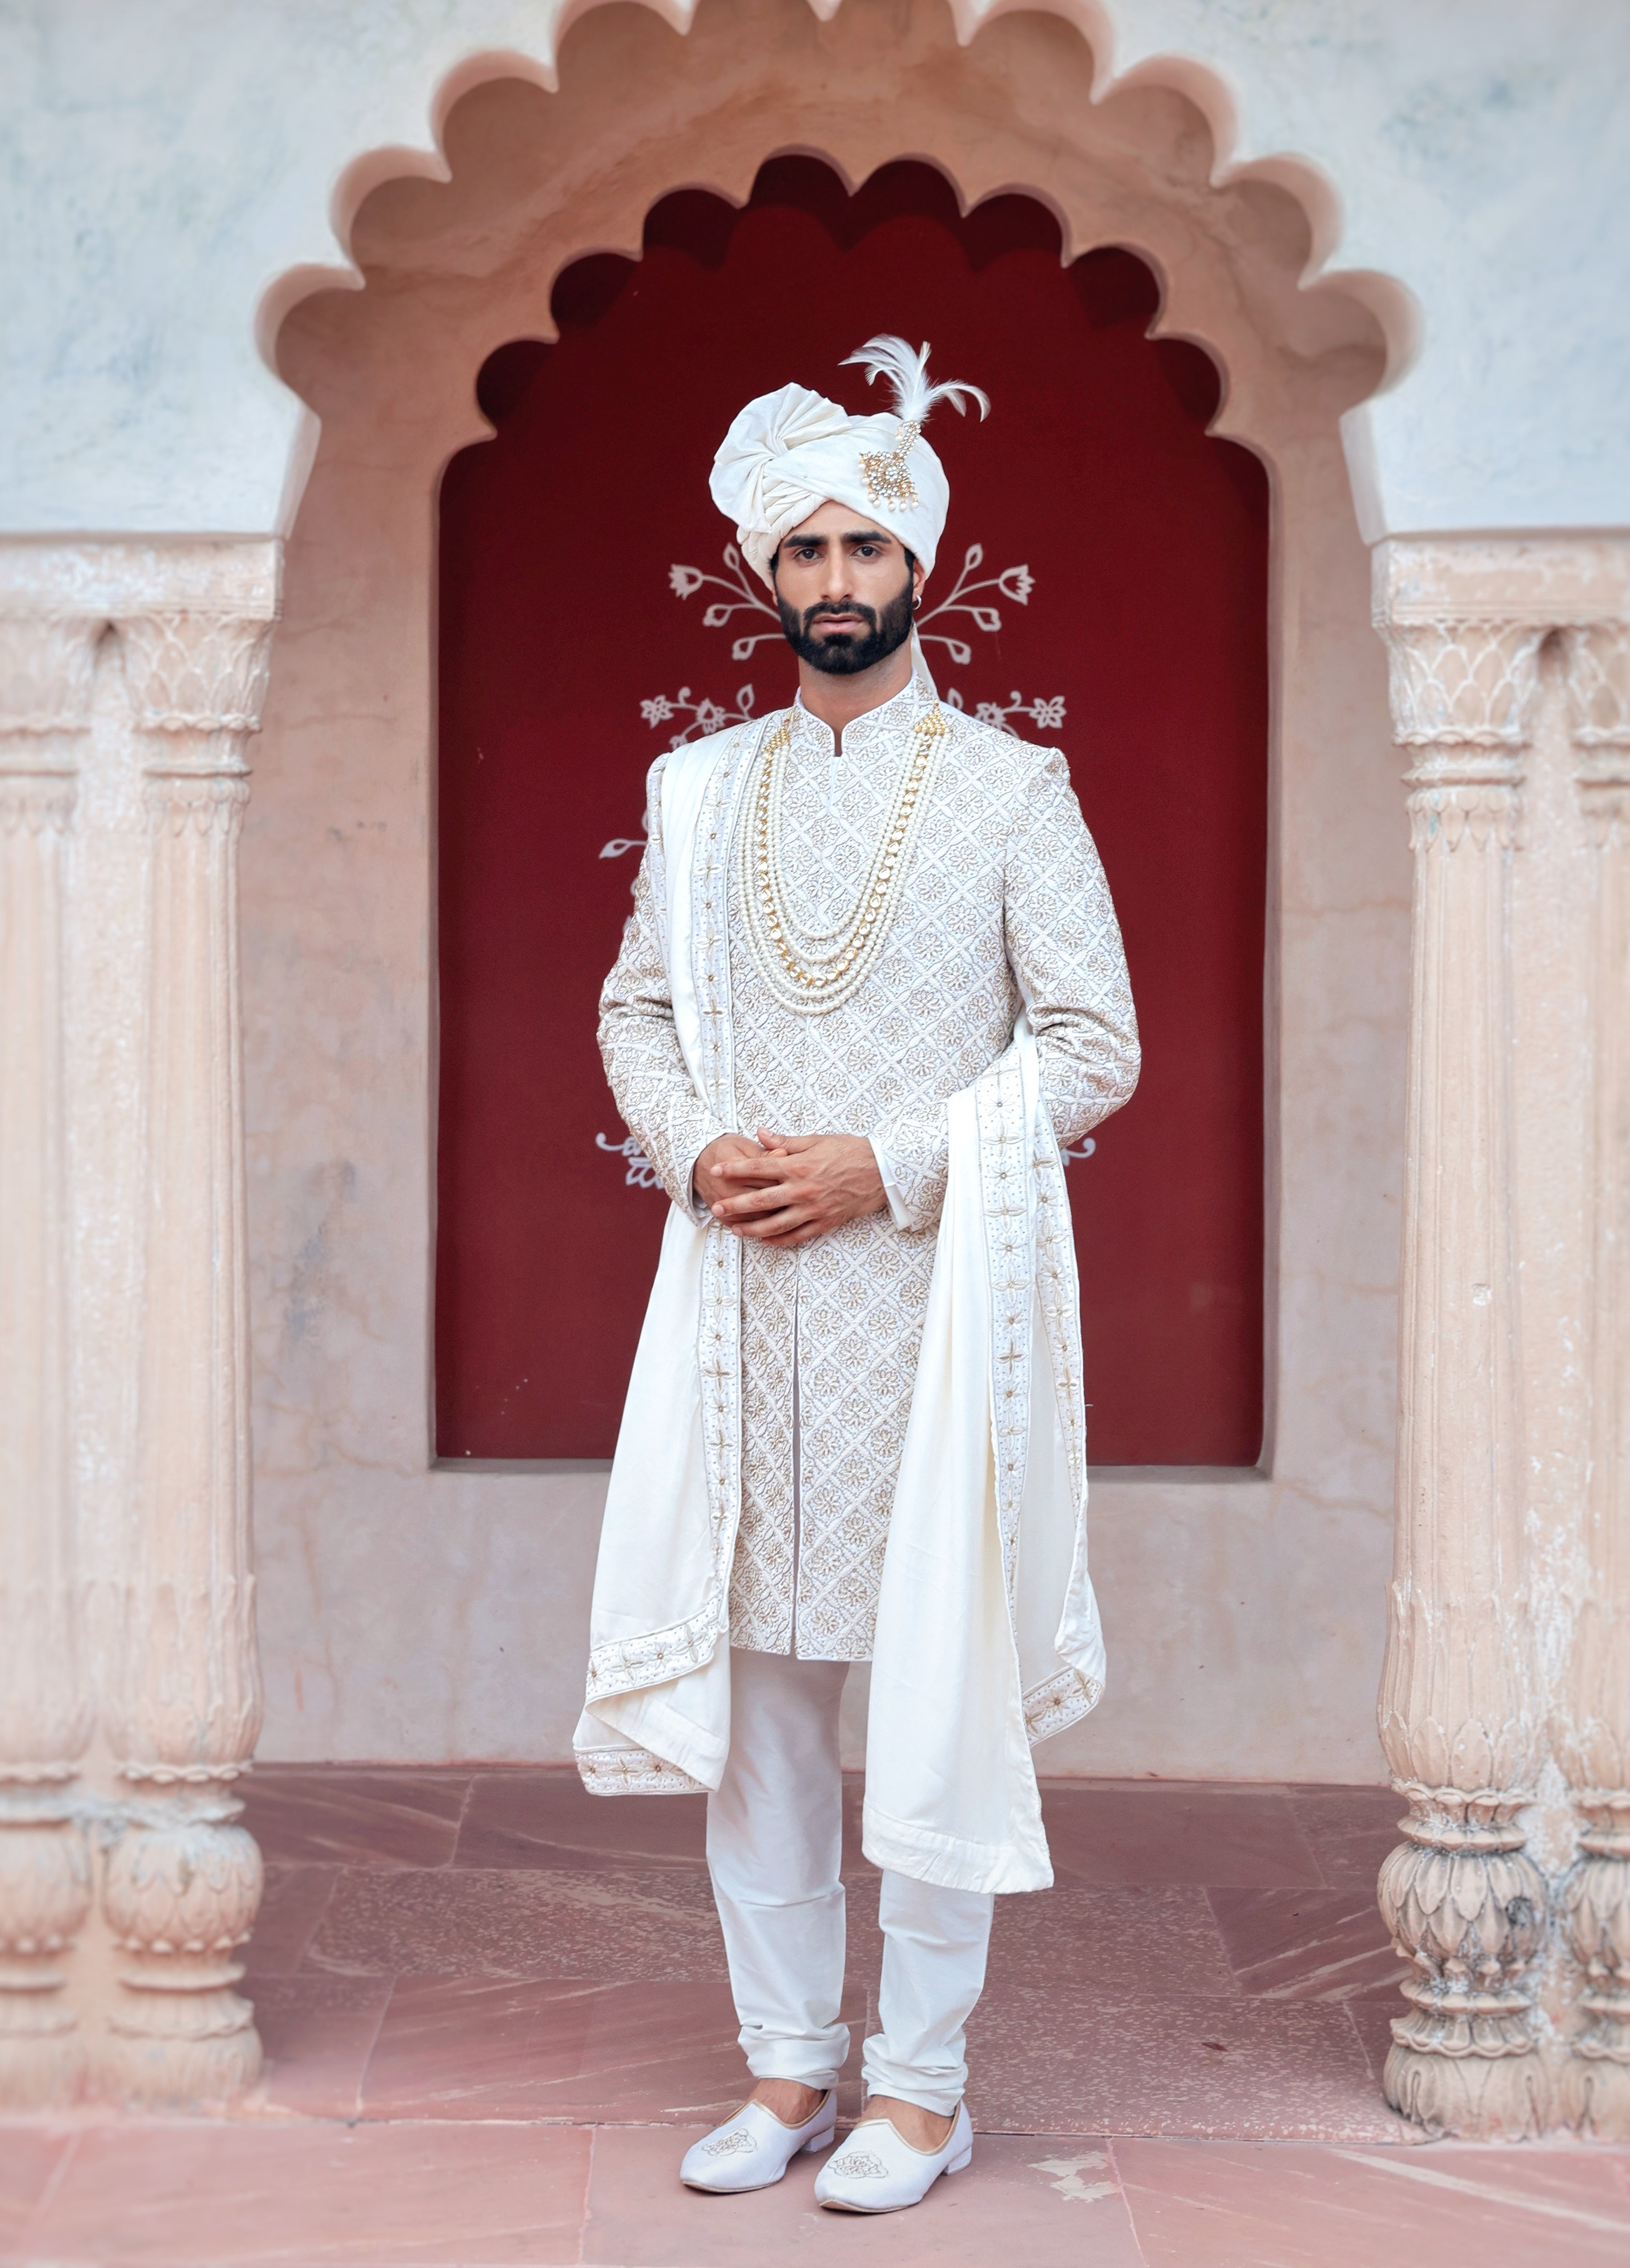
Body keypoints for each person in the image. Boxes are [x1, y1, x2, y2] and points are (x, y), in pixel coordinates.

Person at [576, 336, 1140, 2214]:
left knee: (933, 1694)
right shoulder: (696, 790)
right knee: (762, 1713)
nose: (834, 581)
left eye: (864, 551)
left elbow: (1091, 1040)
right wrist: (691, 1144)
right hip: (743, 1309)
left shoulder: (1009, 791)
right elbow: (636, 1003)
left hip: (928, 1310)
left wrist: (887, 1163)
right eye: (801, 551)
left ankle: (919, 2090)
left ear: (921, 571)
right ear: (762, 574)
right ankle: (785, 2064)